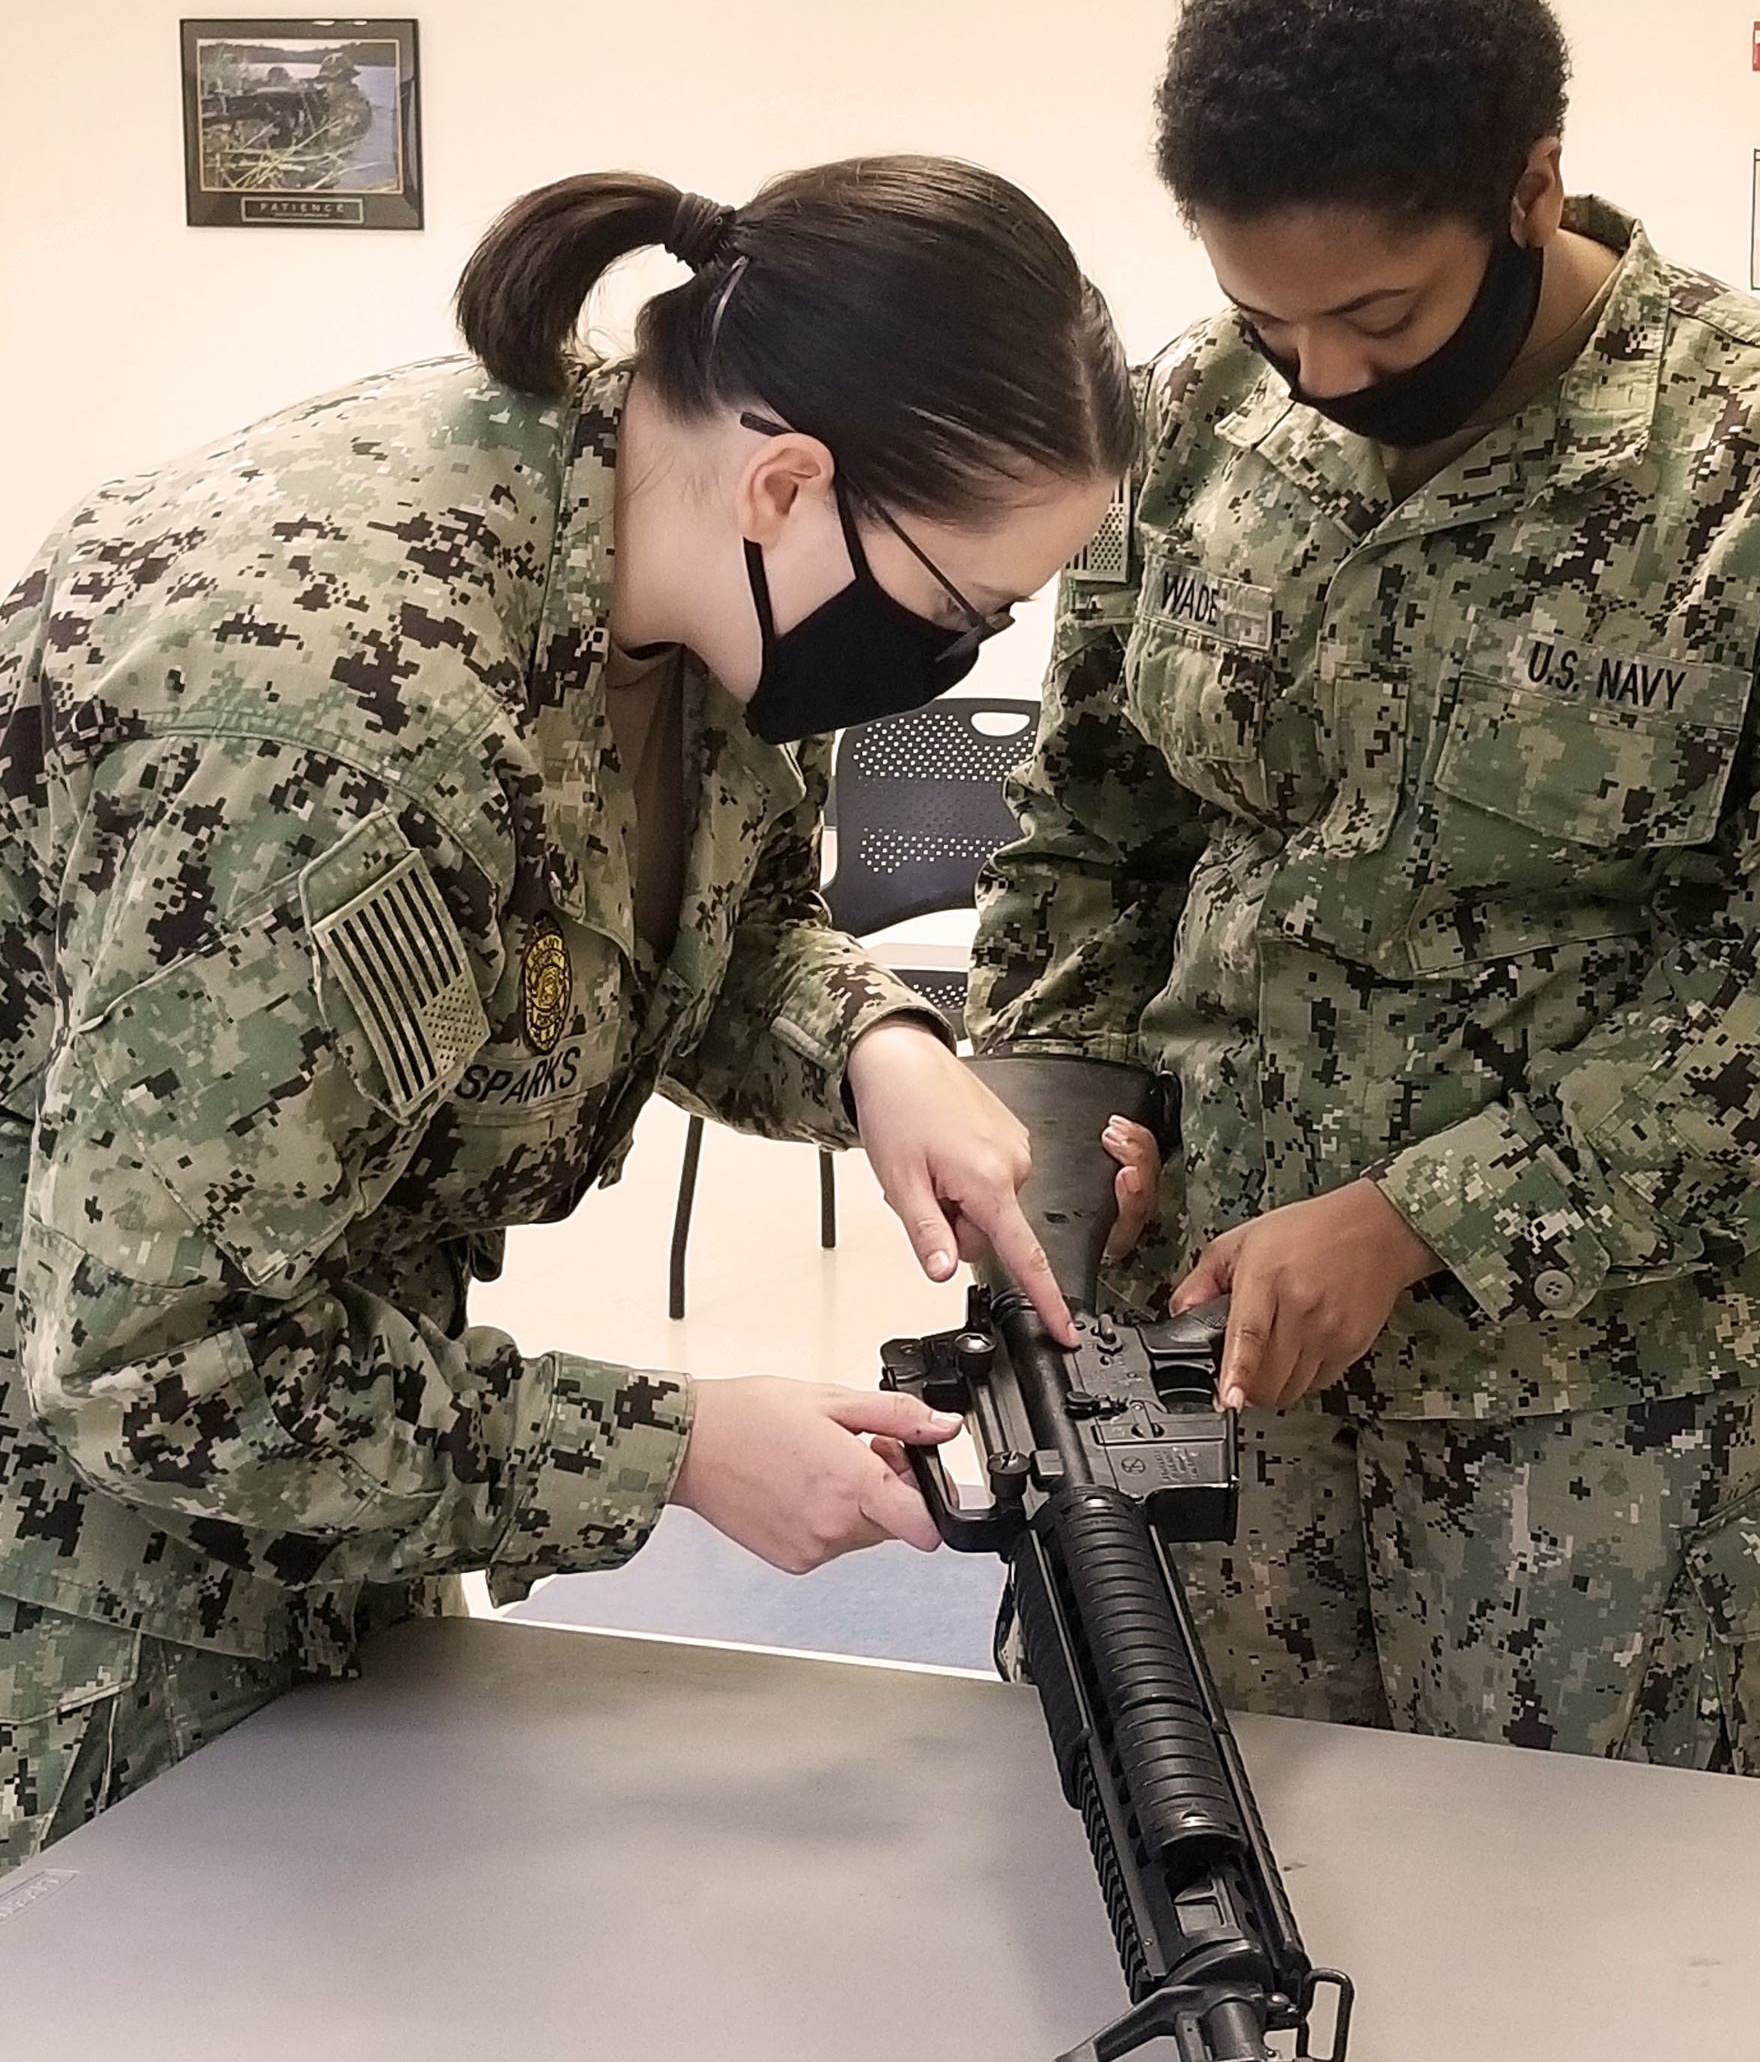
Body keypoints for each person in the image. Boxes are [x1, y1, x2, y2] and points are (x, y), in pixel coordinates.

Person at [973, 0, 1760, 1781]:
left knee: (1593, 1959)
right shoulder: (1204, 424)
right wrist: (1053, 1133)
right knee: (1213, 1893)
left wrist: (1418, 1220)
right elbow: (1089, 830)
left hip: (1600, 1446)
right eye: (1266, 314)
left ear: (1532, 189)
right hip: (1207, 1383)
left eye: (1379, 311)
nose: (1326, 377)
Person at [0, 156, 1132, 1869]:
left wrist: (878, 1044)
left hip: (337, 1451)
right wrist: (671, 1449)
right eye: (961, 609)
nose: (956, 657)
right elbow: (155, 1364)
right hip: (87, 1571)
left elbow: (703, 934)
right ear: (791, 480)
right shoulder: (336, 735)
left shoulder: (680, 557)